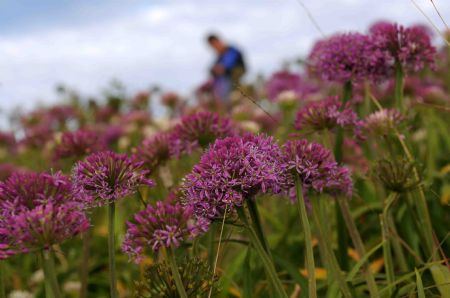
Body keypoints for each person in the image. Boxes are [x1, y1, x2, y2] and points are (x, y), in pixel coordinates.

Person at [206, 34, 246, 106]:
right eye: (212, 46)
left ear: (219, 41)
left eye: (215, 44)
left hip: (234, 80)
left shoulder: (231, 50)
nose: (215, 47)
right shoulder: (219, 57)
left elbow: (228, 65)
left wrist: (221, 68)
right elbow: (213, 71)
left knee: (234, 98)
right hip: (223, 86)